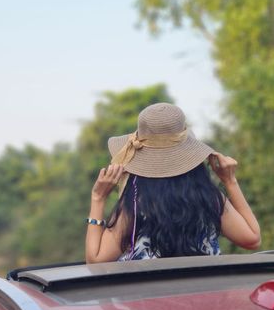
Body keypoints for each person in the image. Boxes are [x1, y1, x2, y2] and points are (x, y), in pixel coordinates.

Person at [85, 102, 260, 264]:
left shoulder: (136, 203)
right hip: (203, 294)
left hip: (145, 297)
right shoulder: (209, 197)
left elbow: (96, 261)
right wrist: (229, 181)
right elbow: (252, 239)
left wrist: (98, 198)